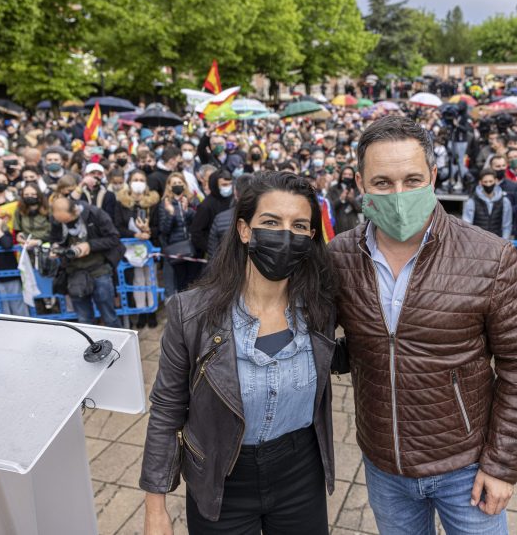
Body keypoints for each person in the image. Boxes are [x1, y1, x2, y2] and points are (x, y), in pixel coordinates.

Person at [329, 116, 517, 534]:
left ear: (433, 175)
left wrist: (501, 465)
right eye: (382, 182)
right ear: (360, 183)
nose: (398, 195)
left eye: (412, 179)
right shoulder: (339, 256)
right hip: (384, 465)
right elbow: (315, 336)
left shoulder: (489, 257)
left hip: (466, 466)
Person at [141, 171, 337, 534]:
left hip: (300, 473)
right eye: (271, 222)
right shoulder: (192, 314)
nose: (285, 234)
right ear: (245, 230)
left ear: (311, 237)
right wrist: (156, 508)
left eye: (298, 225)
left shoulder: (319, 307)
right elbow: (167, 410)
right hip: (222, 477)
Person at [49, 196, 124, 328]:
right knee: (84, 320)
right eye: (62, 222)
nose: (66, 224)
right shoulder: (56, 220)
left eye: (68, 221)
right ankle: (91, 347)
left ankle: (120, 347)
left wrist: (89, 245)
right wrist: (55, 248)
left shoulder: (95, 214)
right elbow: (54, 239)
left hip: (99, 270)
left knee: (109, 317)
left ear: (75, 212)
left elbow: (114, 238)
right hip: (74, 273)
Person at [115, 169, 161, 329]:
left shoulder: (153, 202)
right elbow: (118, 226)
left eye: (142, 180)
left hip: (149, 247)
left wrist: (148, 232)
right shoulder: (121, 203)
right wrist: (135, 234)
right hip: (131, 248)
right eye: (135, 179)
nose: (138, 182)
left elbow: (158, 225)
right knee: (137, 279)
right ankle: (141, 310)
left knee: (151, 277)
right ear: (129, 182)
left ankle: (152, 310)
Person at [158, 172, 198, 294]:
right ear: (169, 186)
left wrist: (188, 210)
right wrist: (171, 214)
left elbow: (197, 222)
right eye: (174, 183)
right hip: (176, 249)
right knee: (180, 282)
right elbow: (164, 229)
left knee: (193, 279)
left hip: (192, 247)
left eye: (180, 183)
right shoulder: (165, 204)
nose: (177, 185)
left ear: (184, 185)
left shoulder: (192, 200)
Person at [190, 170, 234, 256]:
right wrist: (212, 250)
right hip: (216, 253)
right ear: (215, 185)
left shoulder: (234, 200)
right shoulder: (206, 206)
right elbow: (196, 233)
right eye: (224, 185)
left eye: (230, 184)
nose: (228, 187)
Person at [462, 167, 512, 239]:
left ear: (496, 181)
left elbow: (506, 226)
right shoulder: (471, 202)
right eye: (485, 182)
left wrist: (503, 243)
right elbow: (466, 226)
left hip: (497, 243)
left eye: (491, 181)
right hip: (477, 243)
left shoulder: (505, 201)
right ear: (480, 182)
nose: (488, 184)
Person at [327, 166, 363, 235]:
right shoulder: (333, 189)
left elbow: (361, 209)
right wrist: (340, 199)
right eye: (345, 174)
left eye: (350, 175)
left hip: (353, 227)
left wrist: (352, 199)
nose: (347, 176)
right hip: (337, 227)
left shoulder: (357, 190)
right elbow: (329, 207)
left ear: (353, 176)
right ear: (341, 175)